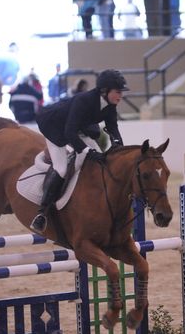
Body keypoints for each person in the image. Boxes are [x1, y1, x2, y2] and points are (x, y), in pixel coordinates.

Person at [29, 69, 128, 233]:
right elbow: (69, 132)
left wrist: (119, 147)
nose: (121, 96)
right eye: (118, 92)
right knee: (61, 169)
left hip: (78, 128)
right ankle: (42, 213)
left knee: (99, 163)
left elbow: (113, 128)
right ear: (105, 91)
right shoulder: (84, 100)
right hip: (55, 127)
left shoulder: (110, 106)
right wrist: (87, 151)